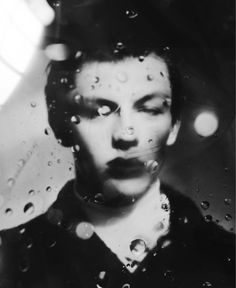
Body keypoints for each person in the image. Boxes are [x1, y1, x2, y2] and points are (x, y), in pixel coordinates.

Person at [0, 1, 234, 287]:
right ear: (62, 124)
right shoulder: (9, 261)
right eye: (100, 111)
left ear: (173, 126)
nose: (126, 134)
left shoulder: (226, 259)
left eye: (150, 108)